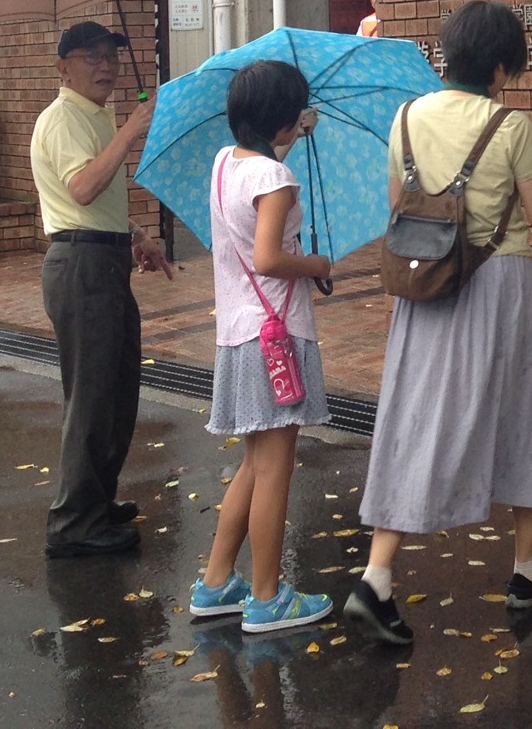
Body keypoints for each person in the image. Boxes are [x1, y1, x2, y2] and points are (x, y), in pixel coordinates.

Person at [343, 1, 532, 646]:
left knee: (416, 415)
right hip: (496, 284)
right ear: (502, 65)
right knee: (520, 413)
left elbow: (400, 203)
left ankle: (378, 575)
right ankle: (526, 573)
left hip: (425, 284)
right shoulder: (510, 125)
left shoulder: (406, 116)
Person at [190, 59, 337, 633]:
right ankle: (267, 595)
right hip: (275, 334)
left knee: (255, 463)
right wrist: (318, 263)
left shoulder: (228, 163)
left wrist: (292, 136)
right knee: (276, 467)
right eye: (297, 113)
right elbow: (271, 258)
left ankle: (218, 580)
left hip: (237, 332)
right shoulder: (276, 180)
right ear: (282, 120)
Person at [30, 21, 174, 559]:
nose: (106, 66)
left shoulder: (94, 116)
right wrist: (131, 130)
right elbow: (83, 188)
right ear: (62, 66)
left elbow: (98, 197)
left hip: (104, 258)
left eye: (112, 56)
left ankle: (96, 502)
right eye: (92, 57)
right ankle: (73, 523)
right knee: (92, 397)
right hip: (81, 265)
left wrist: (136, 234)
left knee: (116, 391)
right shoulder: (65, 117)